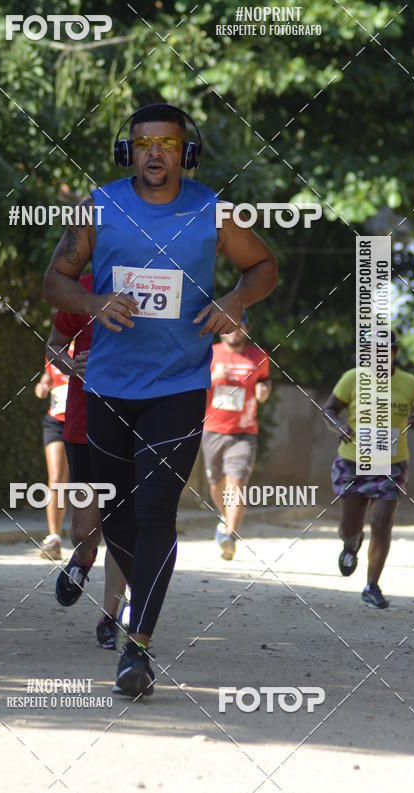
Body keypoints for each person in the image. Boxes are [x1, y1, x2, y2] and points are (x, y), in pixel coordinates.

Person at [43, 102, 278, 697]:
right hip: (107, 389)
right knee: (117, 515)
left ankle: (137, 647)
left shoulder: (212, 211)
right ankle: (134, 608)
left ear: (185, 152)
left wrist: (235, 301)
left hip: (178, 386)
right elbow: (55, 281)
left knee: (155, 514)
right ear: (129, 151)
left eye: (168, 144)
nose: (154, 153)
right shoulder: (99, 207)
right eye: (144, 143)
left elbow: (265, 266)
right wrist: (94, 305)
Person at [323, 332, 414, 609]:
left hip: (391, 464)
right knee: (349, 525)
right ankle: (351, 544)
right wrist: (338, 426)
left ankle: (371, 585)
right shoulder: (352, 378)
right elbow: (329, 410)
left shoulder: (409, 384)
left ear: (395, 351)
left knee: (382, 521)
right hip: (352, 463)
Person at [47, 273, 127, 649]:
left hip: (136, 424)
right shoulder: (81, 288)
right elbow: (53, 347)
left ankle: (110, 616)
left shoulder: (156, 283)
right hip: (85, 425)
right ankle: (82, 557)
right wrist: (69, 365)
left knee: (122, 528)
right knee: (84, 529)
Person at [202, 311, 271, 559]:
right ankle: (224, 517)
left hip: (244, 431)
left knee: (237, 483)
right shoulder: (210, 353)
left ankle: (230, 535)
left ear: (246, 329)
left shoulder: (259, 357)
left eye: (237, 326)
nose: (233, 331)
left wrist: (264, 390)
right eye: (228, 327)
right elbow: (194, 385)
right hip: (213, 429)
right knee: (216, 483)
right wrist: (213, 378)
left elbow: (265, 381)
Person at [34, 355, 70, 559]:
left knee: (88, 480)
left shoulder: (93, 343)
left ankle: (92, 534)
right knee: (56, 478)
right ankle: (54, 538)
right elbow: (48, 377)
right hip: (56, 421)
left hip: (84, 421)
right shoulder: (56, 348)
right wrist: (42, 386)